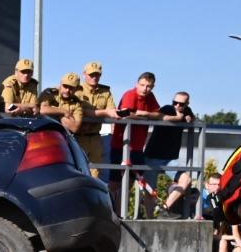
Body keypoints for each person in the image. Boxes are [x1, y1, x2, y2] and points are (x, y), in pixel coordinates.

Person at [110, 72, 162, 200]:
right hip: (121, 145)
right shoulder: (130, 94)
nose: (145, 89)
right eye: (142, 85)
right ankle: (108, 208)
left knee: (129, 184)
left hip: (137, 148)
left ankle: (119, 210)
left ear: (153, 87)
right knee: (115, 183)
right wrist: (145, 116)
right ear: (136, 84)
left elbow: (158, 114)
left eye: (148, 86)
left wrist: (143, 114)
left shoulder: (150, 97)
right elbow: (126, 114)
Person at [150, 91, 198, 216]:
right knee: (149, 191)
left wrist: (190, 118)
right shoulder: (167, 108)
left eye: (181, 104)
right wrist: (180, 118)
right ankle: (149, 218)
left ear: (186, 104)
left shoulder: (187, 111)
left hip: (170, 160)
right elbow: (162, 116)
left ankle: (164, 208)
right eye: (175, 102)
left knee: (186, 180)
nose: (177, 106)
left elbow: (192, 117)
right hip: (152, 156)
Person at [78, 61, 117, 174]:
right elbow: (79, 111)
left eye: (97, 74)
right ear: (84, 74)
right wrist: (105, 112)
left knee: (95, 172)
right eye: (91, 75)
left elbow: (112, 111)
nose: (94, 77)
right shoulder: (77, 90)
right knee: (77, 170)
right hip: (77, 137)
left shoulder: (106, 92)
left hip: (95, 137)